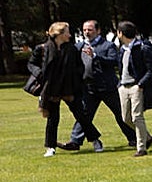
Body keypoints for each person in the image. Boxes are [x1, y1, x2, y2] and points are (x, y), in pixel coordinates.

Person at [63, 20, 136, 152]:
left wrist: (96, 56)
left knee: (121, 114)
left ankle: (134, 138)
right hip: (89, 88)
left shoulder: (108, 46)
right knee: (84, 115)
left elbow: (114, 61)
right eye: (84, 30)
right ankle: (75, 141)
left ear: (98, 31)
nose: (86, 32)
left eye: (90, 30)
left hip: (108, 87)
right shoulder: (79, 47)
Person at [31, 22, 101, 157]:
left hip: (70, 87)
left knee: (81, 116)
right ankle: (50, 147)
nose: (70, 34)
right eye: (67, 32)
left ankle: (95, 140)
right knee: (53, 119)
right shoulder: (43, 48)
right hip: (51, 89)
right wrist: (39, 74)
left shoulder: (72, 49)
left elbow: (80, 66)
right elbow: (32, 64)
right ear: (59, 34)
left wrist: (76, 79)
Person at [115, 21, 152, 157]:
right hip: (124, 86)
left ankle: (141, 148)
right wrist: (120, 85)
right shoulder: (123, 49)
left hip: (136, 86)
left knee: (137, 117)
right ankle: (147, 137)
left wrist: (140, 84)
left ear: (121, 33)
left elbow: (151, 70)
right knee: (125, 118)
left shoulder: (142, 47)